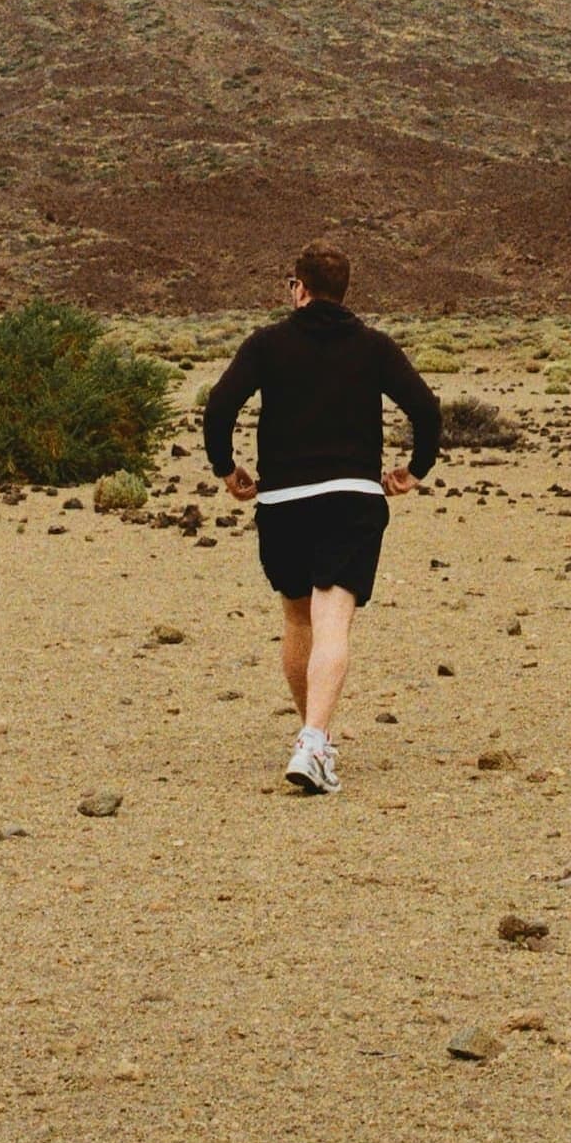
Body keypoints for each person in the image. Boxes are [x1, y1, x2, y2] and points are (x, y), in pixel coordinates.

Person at [203, 236, 441, 795]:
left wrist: (226, 468)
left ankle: (313, 738)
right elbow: (426, 409)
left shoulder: (266, 344)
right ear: (344, 291)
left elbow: (219, 406)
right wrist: (416, 468)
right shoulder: (373, 346)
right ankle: (313, 739)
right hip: (350, 500)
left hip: (282, 503)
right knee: (333, 622)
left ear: (299, 288)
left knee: (298, 621)